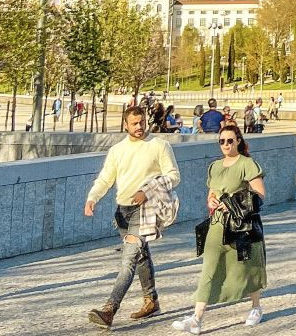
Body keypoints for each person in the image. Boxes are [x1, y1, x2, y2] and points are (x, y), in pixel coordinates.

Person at [83, 103, 180, 327]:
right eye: (134, 123)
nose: (139, 126)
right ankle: (151, 301)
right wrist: (92, 198)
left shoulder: (159, 145)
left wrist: (147, 191)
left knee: (128, 261)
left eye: (142, 122)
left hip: (145, 211)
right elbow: (106, 178)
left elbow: (174, 176)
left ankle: (109, 309)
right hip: (122, 213)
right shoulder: (117, 150)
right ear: (125, 125)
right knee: (141, 256)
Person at [170, 121, 267, 332]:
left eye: (230, 141)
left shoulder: (247, 164)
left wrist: (231, 202)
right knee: (209, 268)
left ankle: (256, 307)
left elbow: (260, 194)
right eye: (222, 141)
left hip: (240, 226)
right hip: (217, 224)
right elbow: (212, 193)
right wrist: (211, 201)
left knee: (248, 266)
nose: (225, 144)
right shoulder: (214, 166)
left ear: (238, 141)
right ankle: (196, 318)